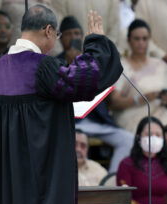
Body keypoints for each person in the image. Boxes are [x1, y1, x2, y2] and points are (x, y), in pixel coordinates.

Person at [0, 5, 122, 204]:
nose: (55, 41)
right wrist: (96, 42)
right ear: (48, 30)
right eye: (56, 35)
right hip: (38, 182)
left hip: (7, 186)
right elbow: (84, 80)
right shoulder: (41, 67)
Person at [57, 15, 134, 173]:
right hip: (67, 123)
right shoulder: (53, 63)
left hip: (97, 122)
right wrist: (70, 65)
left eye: (77, 33)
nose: (74, 37)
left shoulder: (91, 60)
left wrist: (81, 62)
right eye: (69, 34)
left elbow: (107, 86)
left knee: (128, 140)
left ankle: (110, 180)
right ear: (61, 38)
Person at [109, 19, 167, 144]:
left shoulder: (161, 65)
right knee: (149, 139)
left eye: (144, 39)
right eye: (137, 39)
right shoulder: (121, 66)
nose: (141, 43)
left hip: (161, 114)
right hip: (134, 116)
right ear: (129, 41)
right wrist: (142, 98)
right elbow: (114, 102)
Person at [52, 0, 120, 43]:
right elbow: (57, 29)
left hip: (103, 58)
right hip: (71, 60)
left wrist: (104, 53)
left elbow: (114, 29)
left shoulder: (112, 1)